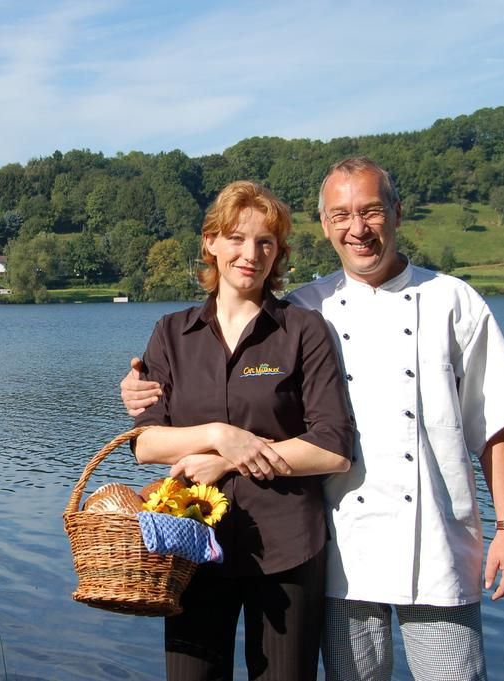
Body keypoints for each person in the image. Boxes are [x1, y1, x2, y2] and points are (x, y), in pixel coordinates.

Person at [122, 157, 504, 681]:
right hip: (347, 549)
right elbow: (157, 429)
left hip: (433, 541)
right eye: (341, 214)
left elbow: (495, 421)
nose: (357, 228)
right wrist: (143, 396)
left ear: (396, 213)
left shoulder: (449, 300)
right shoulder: (308, 306)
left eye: (370, 211)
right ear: (325, 225)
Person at [131, 180, 355, 681]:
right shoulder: (171, 332)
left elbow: (333, 449)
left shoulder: (304, 331)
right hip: (190, 542)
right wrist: (217, 432)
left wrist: (232, 457)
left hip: (287, 545)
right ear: (210, 242)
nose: (250, 254)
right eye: (236, 237)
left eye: (265, 242)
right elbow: (146, 443)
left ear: (279, 254)